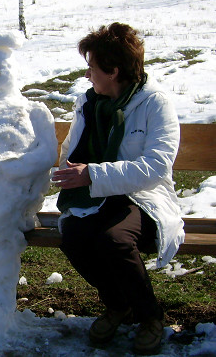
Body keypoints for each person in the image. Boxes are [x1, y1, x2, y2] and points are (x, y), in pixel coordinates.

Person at [52, 22, 184, 355]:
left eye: (91, 67)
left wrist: (92, 175)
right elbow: (71, 152)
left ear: (112, 71)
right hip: (96, 195)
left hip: (141, 197)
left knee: (114, 239)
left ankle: (150, 316)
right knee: (75, 237)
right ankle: (117, 305)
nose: (87, 75)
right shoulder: (90, 103)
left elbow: (156, 168)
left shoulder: (155, 104)